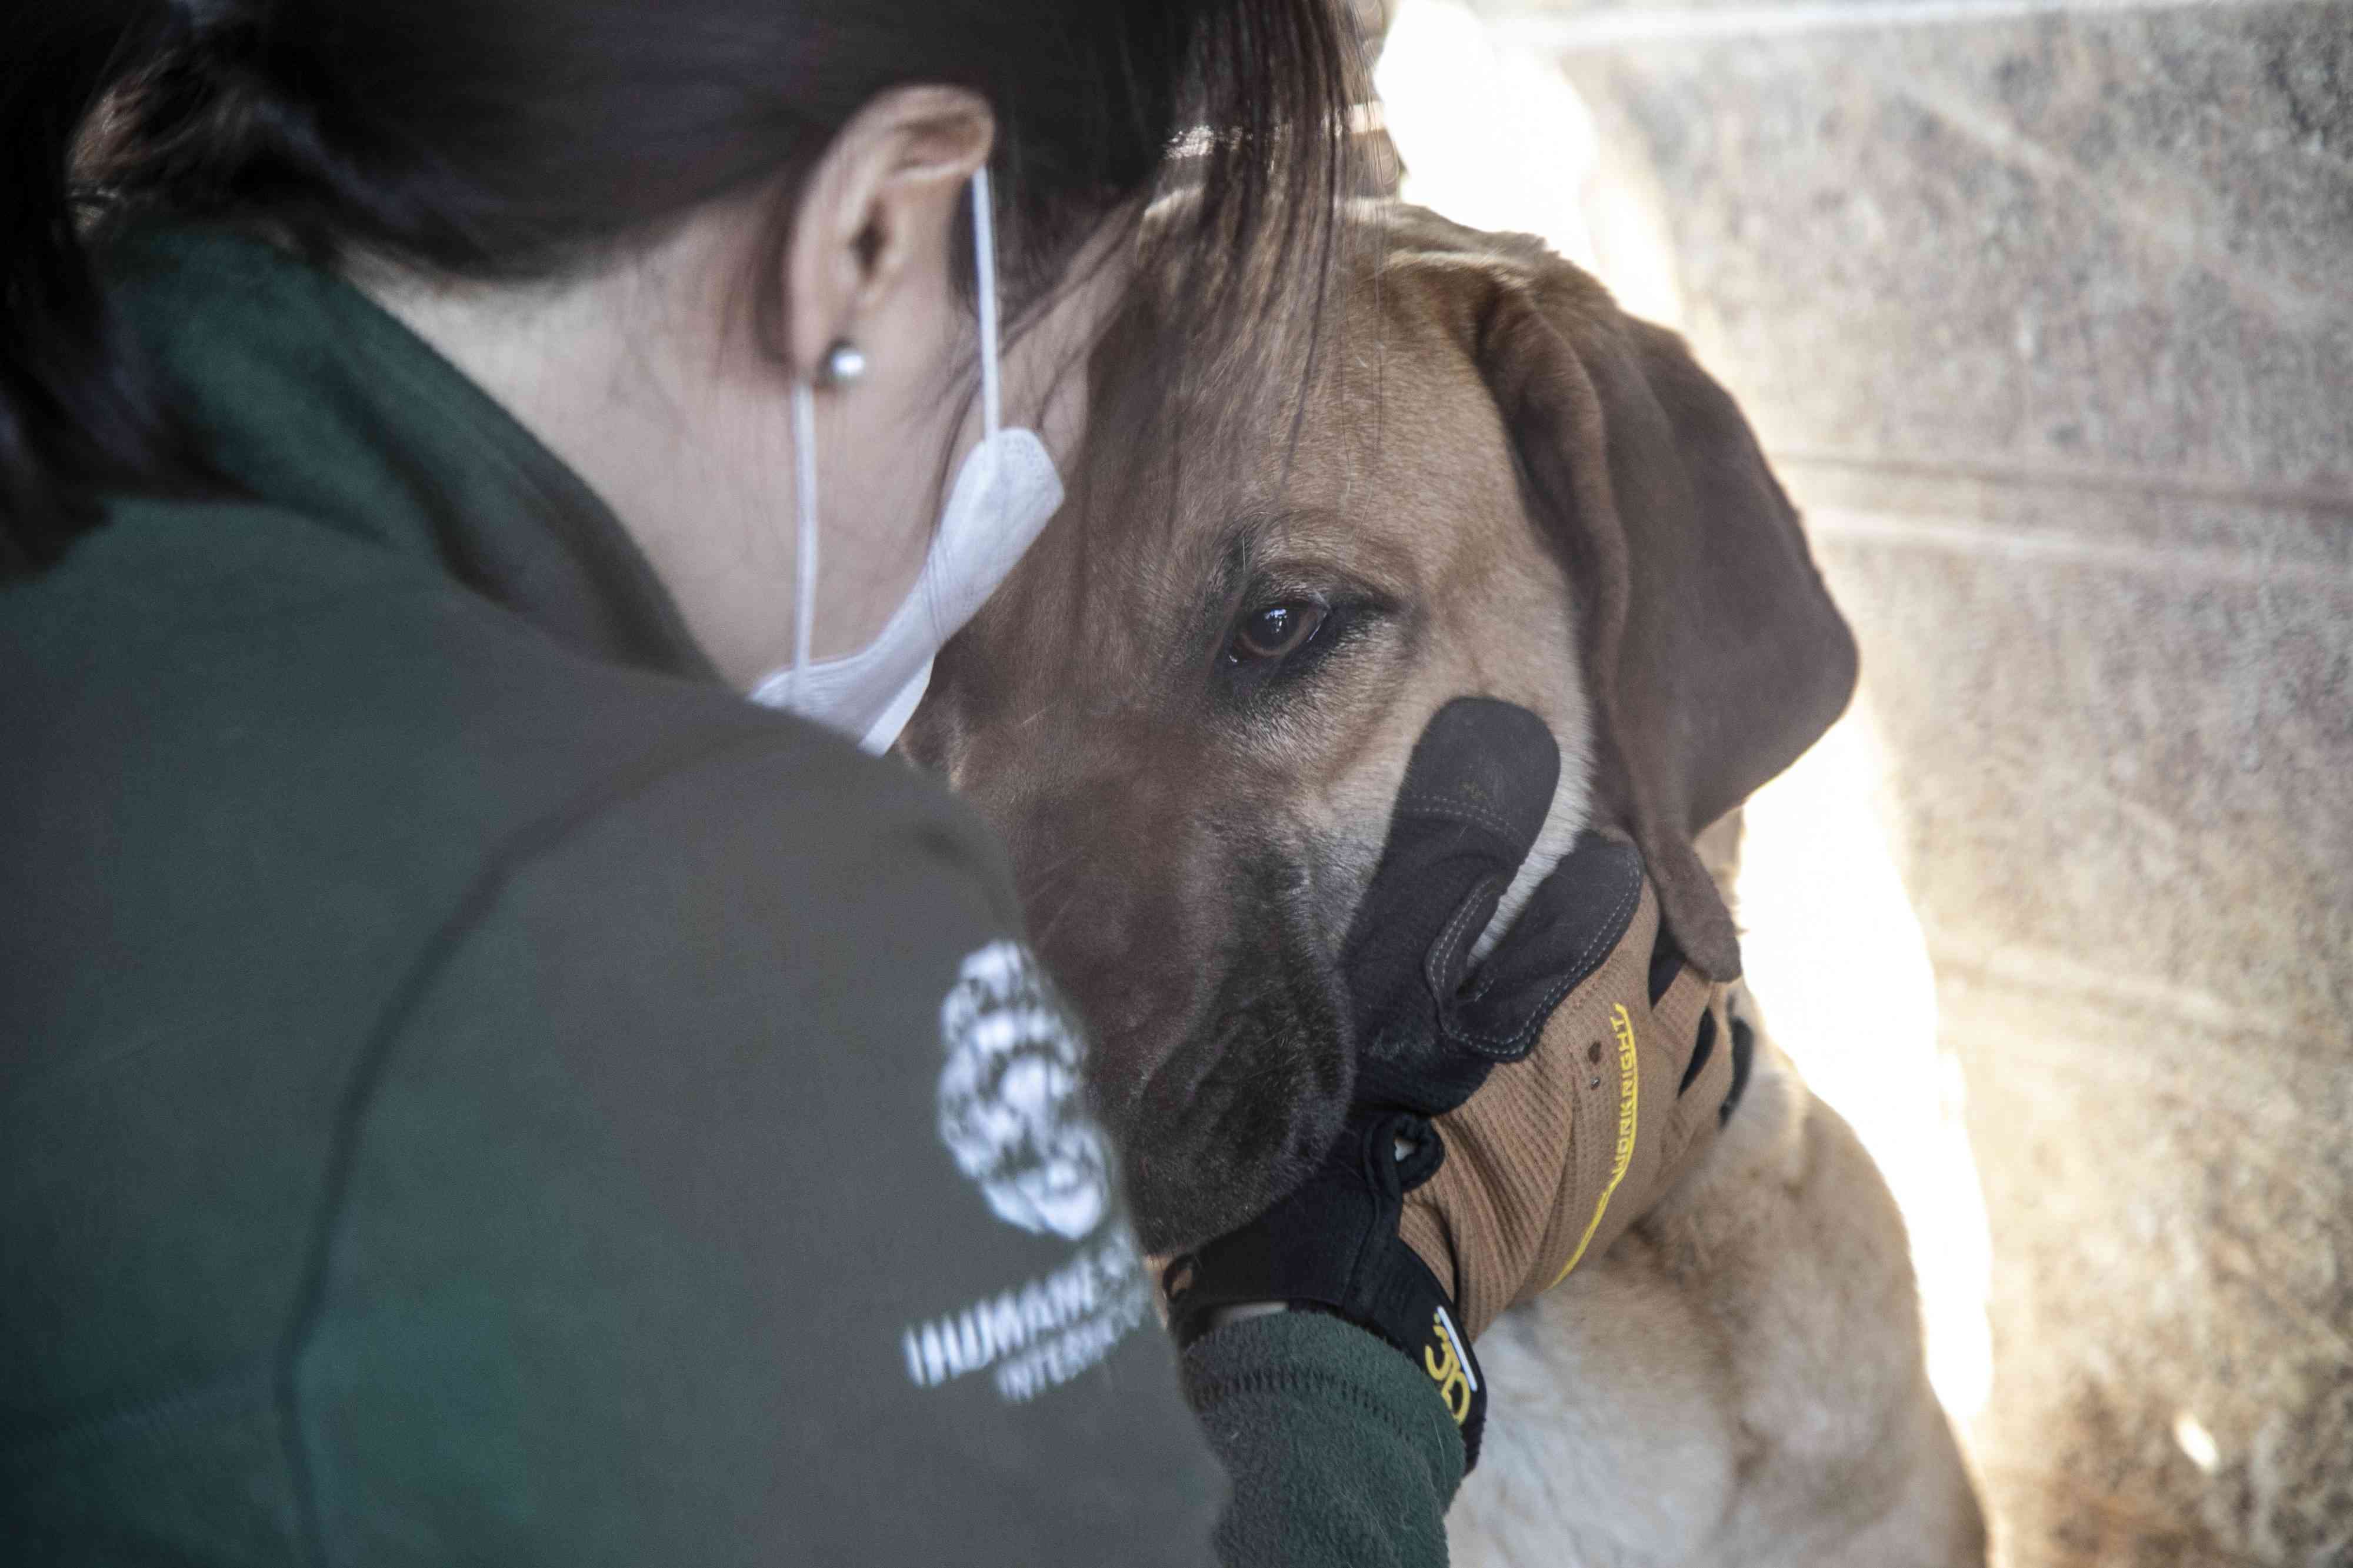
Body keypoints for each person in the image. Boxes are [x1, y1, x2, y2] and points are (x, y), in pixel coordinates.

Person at [0, 4, 1712, 1563]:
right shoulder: (697, 902)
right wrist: (1351, 1301)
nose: (1018, 514)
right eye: (1052, 391)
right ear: (878, 232)